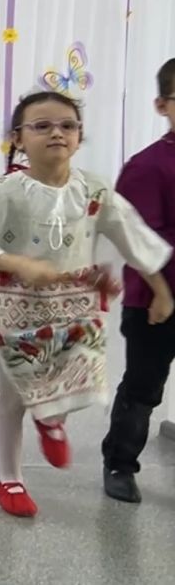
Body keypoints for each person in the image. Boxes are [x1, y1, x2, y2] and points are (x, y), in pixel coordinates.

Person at [0, 90, 173, 518]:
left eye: (67, 125)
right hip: (16, 308)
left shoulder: (94, 190)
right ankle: (10, 478)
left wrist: (160, 287)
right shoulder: (4, 192)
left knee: (78, 383)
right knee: (15, 395)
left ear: (79, 136)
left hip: (76, 310)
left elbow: (132, 235)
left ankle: (50, 417)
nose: (56, 133)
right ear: (18, 138)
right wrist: (18, 263)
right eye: (42, 126)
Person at [101, 58, 175, 503]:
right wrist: (162, 293)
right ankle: (120, 462)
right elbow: (137, 239)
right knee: (144, 386)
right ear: (162, 105)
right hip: (157, 299)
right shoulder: (147, 167)